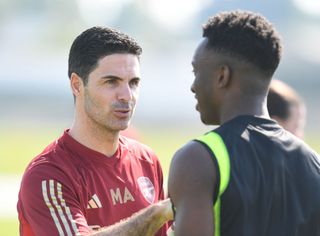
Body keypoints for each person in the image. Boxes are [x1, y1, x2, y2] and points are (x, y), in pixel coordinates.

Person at [168, 10, 320, 236]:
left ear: (222, 76)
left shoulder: (197, 159)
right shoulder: (313, 163)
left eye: (196, 71)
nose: (193, 86)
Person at [17, 26, 172, 236]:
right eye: (111, 82)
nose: (127, 95)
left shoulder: (147, 160)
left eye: (134, 83)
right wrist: (156, 213)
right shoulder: (48, 175)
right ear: (77, 85)